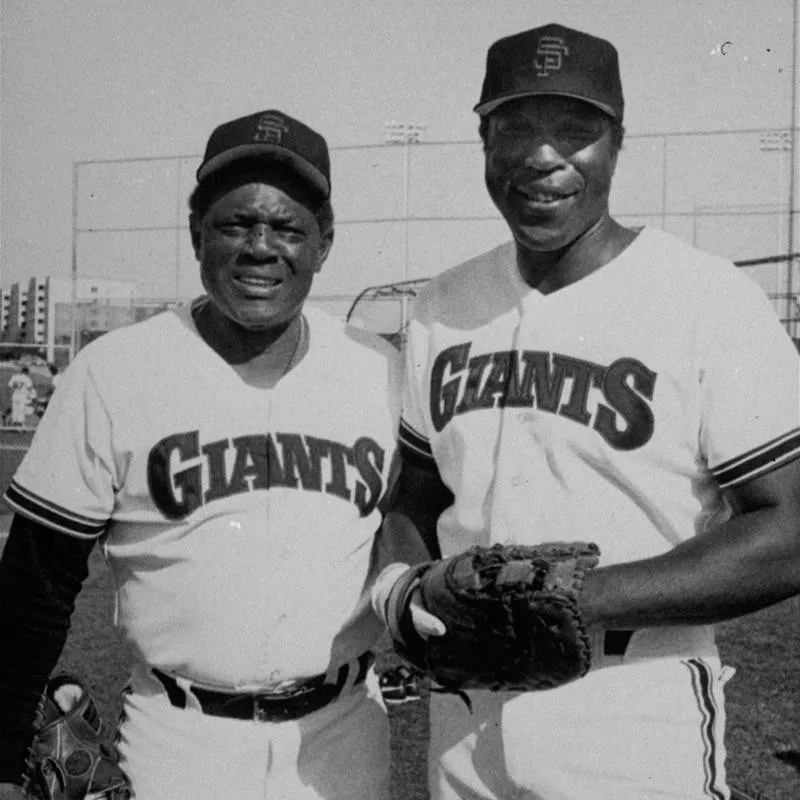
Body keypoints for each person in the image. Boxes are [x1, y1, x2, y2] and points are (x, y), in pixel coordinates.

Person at [371, 23, 800, 800]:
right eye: (517, 128)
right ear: (484, 139)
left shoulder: (706, 298)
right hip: (468, 716)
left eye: (576, 130)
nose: (543, 157)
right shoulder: (442, 305)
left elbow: (791, 526)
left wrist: (573, 599)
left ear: (617, 142)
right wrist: (398, 591)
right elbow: (415, 496)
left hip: (634, 698)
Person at [0, 109, 401, 800]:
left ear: (325, 243)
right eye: (236, 224)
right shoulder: (115, 371)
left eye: (287, 228)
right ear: (195, 233)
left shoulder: (378, 369)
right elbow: (35, 587)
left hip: (344, 739)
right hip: (178, 743)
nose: (260, 247)